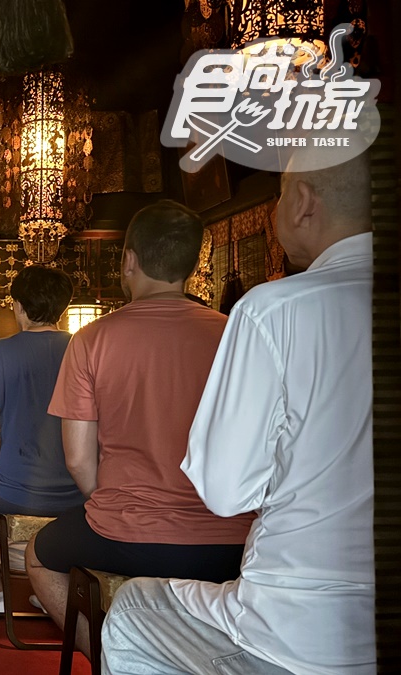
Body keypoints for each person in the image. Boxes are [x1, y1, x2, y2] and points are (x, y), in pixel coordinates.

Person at [102, 154, 375, 674]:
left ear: (301, 202)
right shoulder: (224, 320)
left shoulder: (272, 310)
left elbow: (226, 491)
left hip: (295, 624)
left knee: (131, 608)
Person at [27, 200, 254, 658]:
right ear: (192, 265)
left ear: (128, 259)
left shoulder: (92, 340)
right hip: (234, 542)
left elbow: (77, 459)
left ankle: (112, 659)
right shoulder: (237, 336)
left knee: (38, 555)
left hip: (127, 535)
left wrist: (113, 506)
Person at [0, 265, 84, 612]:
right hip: (77, 493)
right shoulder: (82, 349)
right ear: (63, 308)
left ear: (17, 306)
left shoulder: (1, 351)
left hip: (17, 490)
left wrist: (2, 468)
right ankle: (49, 590)